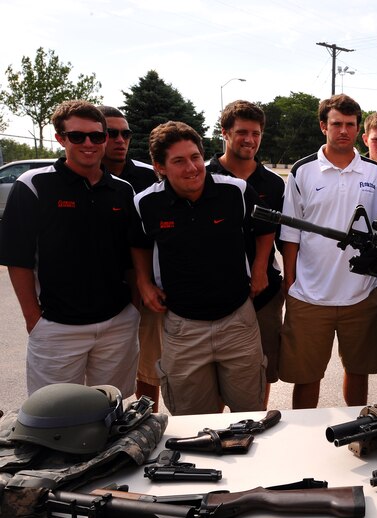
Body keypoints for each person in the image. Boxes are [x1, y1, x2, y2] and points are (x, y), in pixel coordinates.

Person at [130, 121, 273, 415]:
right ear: (160, 166)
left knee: (250, 413)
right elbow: (140, 244)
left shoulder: (236, 191)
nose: (192, 167)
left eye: (195, 157)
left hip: (238, 322)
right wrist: (144, 283)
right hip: (183, 328)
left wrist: (260, 268)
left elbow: (265, 228)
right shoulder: (146, 203)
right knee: (193, 421)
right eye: (178, 161)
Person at [0, 100, 139, 396]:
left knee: (115, 411)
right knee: (56, 420)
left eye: (97, 136)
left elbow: (131, 256)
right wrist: (33, 319)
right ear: (60, 138)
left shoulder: (122, 190)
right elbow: (17, 259)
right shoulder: (33, 185)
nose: (89, 143)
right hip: (57, 328)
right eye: (77, 136)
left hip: (117, 325)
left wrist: (134, 308)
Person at [278, 94, 377, 409]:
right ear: (323, 126)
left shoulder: (373, 172)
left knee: (358, 371)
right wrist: (291, 282)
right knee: (307, 377)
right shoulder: (303, 171)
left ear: (357, 129)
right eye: (336, 124)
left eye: (350, 125)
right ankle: (303, 438)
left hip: (362, 293)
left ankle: (357, 427)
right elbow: (290, 232)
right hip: (311, 295)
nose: (343, 131)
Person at [206, 100, 285, 408]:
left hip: (262, 291)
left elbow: (276, 237)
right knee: (215, 370)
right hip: (214, 293)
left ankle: (255, 422)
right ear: (225, 133)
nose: (249, 140)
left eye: (256, 133)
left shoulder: (273, 184)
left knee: (261, 366)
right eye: (241, 132)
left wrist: (264, 272)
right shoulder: (203, 175)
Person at [98, 105, 162, 410]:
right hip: (99, 291)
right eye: (112, 133)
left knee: (149, 366)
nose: (120, 139)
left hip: (145, 287)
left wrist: (147, 283)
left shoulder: (148, 176)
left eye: (125, 133)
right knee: (103, 376)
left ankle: (145, 421)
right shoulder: (85, 176)